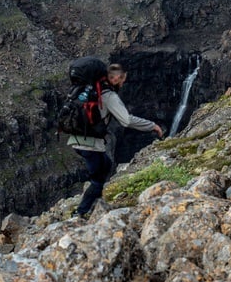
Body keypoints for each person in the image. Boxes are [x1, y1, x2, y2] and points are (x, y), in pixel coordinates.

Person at [67, 63, 163, 218]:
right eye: (123, 79)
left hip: (77, 139)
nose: (123, 83)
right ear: (117, 78)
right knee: (98, 180)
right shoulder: (108, 95)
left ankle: (96, 204)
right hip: (89, 143)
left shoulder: (88, 91)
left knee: (106, 164)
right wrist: (151, 126)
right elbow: (126, 120)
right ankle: (80, 213)